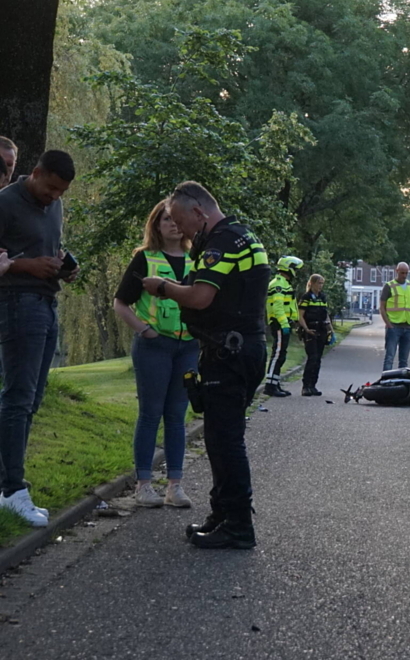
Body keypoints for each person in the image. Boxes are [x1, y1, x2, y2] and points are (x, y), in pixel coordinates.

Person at [142, 181, 271, 549]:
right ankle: (223, 515)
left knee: (225, 441)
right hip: (241, 348)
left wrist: (163, 287)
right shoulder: (242, 236)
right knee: (218, 438)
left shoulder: (222, 242)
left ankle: (238, 526)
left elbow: (200, 297)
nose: (181, 231)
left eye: (183, 223)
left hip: (228, 352)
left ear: (199, 211)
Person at [0, 150, 77, 527]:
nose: (54, 198)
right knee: (17, 396)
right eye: (50, 189)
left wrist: (63, 266)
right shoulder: (6, 203)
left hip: (47, 302)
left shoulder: (55, 208)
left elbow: (49, 248)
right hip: (17, 302)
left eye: (61, 193)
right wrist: (26, 265)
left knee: (32, 398)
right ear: (35, 173)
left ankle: (7, 484)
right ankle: (14, 488)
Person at [113, 201, 200, 508]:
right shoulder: (144, 259)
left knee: (177, 416)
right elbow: (120, 303)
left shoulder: (197, 259)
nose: (173, 224)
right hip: (154, 346)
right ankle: (144, 484)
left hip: (188, 346)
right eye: (166, 219)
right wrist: (144, 330)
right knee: (150, 414)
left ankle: (175, 486)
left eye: (177, 219)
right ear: (156, 225)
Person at [263, 255, 302, 397]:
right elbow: (278, 307)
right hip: (279, 323)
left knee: (281, 355)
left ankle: (275, 383)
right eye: (294, 269)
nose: (295, 272)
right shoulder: (279, 284)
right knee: (277, 354)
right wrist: (284, 324)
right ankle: (269, 386)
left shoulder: (285, 283)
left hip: (284, 323)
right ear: (288, 268)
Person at [298, 273, 333, 396]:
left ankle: (313, 385)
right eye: (319, 283)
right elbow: (300, 315)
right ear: (312, 283)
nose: (321, 286)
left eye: (322, 283)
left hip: (321, 329)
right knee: (312, 358)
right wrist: (306, 329)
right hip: (310, 330)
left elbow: (325, 314)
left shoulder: (322, 297)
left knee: (318, 359)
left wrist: (330, 329)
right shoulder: (306, 297)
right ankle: (305, 386)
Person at [380, 262, 410, 370]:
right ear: (396, 271)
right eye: (402, 273)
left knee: (404, 361)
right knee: (389, 357)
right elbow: (382, 307)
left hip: (408, 327)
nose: (404, 275)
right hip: (394, 326)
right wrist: (388, 324)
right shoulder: (389, 286)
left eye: (406, 273)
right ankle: (386, 383)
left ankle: (401, 384)